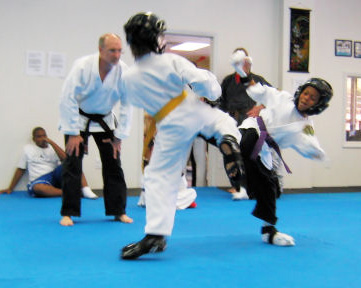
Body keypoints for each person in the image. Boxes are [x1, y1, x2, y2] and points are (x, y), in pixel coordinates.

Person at [120, 12, 244, 259]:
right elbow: (204, 82)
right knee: (223, 122)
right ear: (157, 38)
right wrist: (211, 91)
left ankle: (155, 235)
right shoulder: (169, 61)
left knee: (157, 178)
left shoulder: (128, 77)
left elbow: (131, 103)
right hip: (191, 108)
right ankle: (228, 140)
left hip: (168, 124)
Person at [232, 50, 333, 246]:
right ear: (300, 92)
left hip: (268, 150)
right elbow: (257, 90)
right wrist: (242, 71)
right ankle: (243, 180)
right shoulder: (283, 98)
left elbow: (309, 145)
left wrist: (318, 154)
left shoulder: (306, 126)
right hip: (252, 130)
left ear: (318, 104)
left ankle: (268, 231)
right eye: (306, 93)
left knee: (271, 188)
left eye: (313, 98)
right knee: (247, 147)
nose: (306, 99)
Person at [58, 33, 133, 226]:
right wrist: (73, 132)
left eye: (119, 51)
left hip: (105, 120)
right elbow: (67, 98)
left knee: (113, 164)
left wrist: (120, 136)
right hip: (79, 118)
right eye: (112, 51)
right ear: (100, 50)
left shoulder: (123, 71)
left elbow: (127, 104)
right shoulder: (82, 66)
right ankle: (68, 212)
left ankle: (118, 211)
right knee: (72, 164)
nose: (117, 55)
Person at [218, 48, 275, 197]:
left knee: (251, 154)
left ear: (249, 61)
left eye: (245, 61)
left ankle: (252, 186)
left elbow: (274, 97)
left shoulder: (257, 80)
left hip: (250, 122)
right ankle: (237, 186)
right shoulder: (228, 81)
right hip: (231, 121)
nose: (243, 64)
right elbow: (221, 102)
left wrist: (260, 106)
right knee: (230, 153)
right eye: (239, 61)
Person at [0, 127, 97, 198]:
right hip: (39, 180)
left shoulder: (53, 148)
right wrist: (10, 188)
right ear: (34, 139)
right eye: (39, 136)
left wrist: (52, 143)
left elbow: (66, 160)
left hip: (54, 175)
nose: (42, 138)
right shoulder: (28, 149)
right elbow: (21, 169)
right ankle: (70, 193)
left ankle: (85, 190)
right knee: (38, 188)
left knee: (73, 164)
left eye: (44, 136)